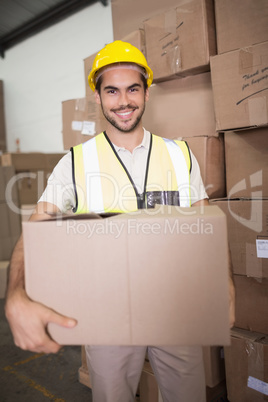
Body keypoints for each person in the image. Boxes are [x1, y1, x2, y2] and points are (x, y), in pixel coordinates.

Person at [5, 41, 235, 402]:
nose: (123, 101)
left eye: (133, 89)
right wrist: (15, 293)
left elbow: (208, 224)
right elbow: (36, 228)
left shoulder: (180, 155)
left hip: (174, 306)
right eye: (111, 90)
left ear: (146, 91)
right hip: (106, 314)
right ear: (97, 96)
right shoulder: (75, 162)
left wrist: (224, 283)